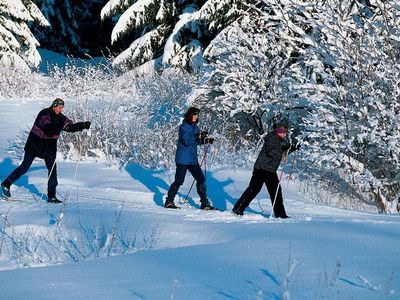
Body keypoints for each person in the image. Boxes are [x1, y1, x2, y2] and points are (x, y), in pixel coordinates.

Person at [1, 98, 91, 203]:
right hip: (34, 145)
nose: (60, 110)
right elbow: (48, 129)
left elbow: (69, 127)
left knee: (52, 170)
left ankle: (51, 196)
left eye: (62, 108)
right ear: (54, 105)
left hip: (49, 148)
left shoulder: (61, 117)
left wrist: (82, 125)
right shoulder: (45, 114)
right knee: (25, 167)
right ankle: (6, 184)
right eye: (59, 107)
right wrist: (61, 127)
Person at [232, 123, 300, 218]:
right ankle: (238, 208)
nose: (285, 135)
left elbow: (279, 152)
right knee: (254, 189)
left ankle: (280, 214)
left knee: (275, 190)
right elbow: (271, 151)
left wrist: (291, 148)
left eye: (286, 133)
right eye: (284, 133)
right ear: (279, 132)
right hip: (262, 168)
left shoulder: (279, 140)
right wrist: (284, 148)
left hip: (269, 170)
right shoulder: (272, 138)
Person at [164, 107, 216, 210]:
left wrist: (205, 140)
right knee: (179, 181)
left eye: (197, 115)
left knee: (201, 178)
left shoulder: (195, 127)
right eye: (194, 115)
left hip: (192, 160)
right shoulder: (184, 127)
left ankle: (204, 203)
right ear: (190, 115)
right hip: (182, 159)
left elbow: (196, 141)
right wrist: (199, 136)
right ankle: (169, 201)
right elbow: (187, 141)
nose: (196, 117)